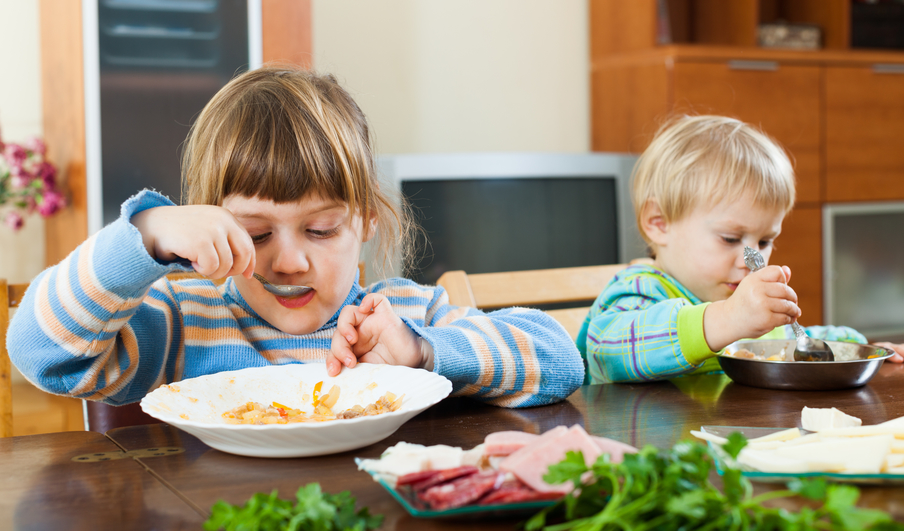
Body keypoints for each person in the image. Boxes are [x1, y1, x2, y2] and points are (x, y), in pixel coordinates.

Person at [7, 65, 583, 408]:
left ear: (365, 221)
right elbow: (39, 353)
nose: (288, 262)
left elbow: (561, 359)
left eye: (322, 229)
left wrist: (423, 352)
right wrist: (144, 236)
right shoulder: (181, 321)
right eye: (254, 234)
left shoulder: (405, 314)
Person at [577, 115, 904, 384]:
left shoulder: (738, 303)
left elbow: (781, 343)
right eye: (730, 239)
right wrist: (726, 320)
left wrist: (857, 347)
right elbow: (608, 350)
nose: (753, 259)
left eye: (765, 241)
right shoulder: (639, 290)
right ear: (659, 222)